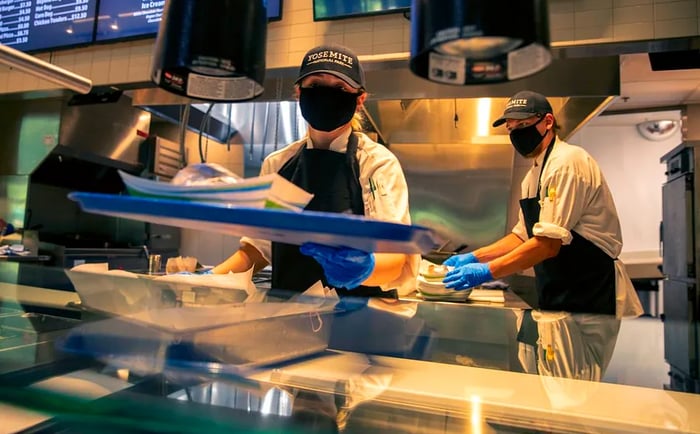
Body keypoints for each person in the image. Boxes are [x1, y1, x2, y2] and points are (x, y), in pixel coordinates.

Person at [212, 44, 418, 298]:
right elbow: (262, 246)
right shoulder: (279, 165)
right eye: (317, 86)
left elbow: (396, 257)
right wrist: (208, 280)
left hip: (361, 322)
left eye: (341, 88)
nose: (327, 96)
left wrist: (366, 269)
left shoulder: (376, 164)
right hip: (291, 319)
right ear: (299, 93)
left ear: (359, 99)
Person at [442, 90, 642, 317]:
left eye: (523, 124)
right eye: (511, 128)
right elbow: (522, 236)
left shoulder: (566, 163)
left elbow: (548, 244)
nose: (516, 133)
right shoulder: (533, 175)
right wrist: (475, 257)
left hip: (590, 291)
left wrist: (488, 271)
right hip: (558, 288)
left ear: (548, 121)